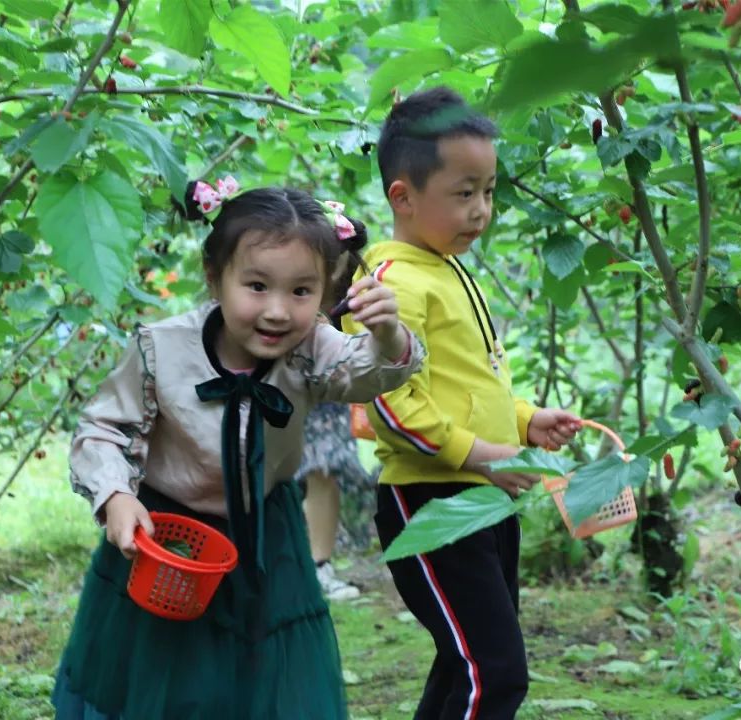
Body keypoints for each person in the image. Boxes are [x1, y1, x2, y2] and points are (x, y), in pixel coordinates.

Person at [51, 182, 425, 720]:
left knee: (264, 666)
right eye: (256, 285)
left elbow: (367, 374)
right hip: (164, 537)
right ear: (214, 277)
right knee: (165, 668)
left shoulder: (311, 349)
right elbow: (104, 428)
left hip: (266, 539)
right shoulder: (162, 348)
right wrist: (115, 496)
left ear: (325, 292)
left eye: (301, 291)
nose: (277, 311)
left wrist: (388, 336)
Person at [341, 87, 584, 719]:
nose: (481, 211)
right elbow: (389, 402)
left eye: (489, 191)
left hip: (482, 492)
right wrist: (480, 456)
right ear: (403, 197)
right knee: (494, 674)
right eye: (464, 193)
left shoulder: (446, 267)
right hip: (430, 498)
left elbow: (470, 382)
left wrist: (526, 423)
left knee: (466, 664)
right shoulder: (389, 287)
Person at [296, 245, 378, 602]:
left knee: (324, 471)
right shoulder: (291, 280)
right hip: (286, 388)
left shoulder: (354, 290)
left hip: (328, 396)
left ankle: (319, 566)